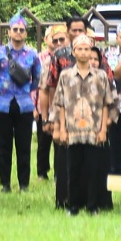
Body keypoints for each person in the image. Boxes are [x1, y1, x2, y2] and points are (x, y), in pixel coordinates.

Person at [50, 34, 115, 216]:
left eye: (87, 49)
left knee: (93, 169)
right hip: (73, 131)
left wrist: (103, 129)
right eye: (80, 49)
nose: (84, 52)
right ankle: (73, 205)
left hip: (94, 131)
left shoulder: (100, 76)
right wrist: (61, 129)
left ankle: (92, 205)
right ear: (74, 52)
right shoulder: (66, 76)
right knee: (73, 169)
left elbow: (106, 104)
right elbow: (61, 104)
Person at [0, 14, 41, 192]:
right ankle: (5, 184)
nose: (18, 33)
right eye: (15, 29)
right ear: (9, 32)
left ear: (26, 33)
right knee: (4, 146)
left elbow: (37, 81)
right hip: (3, 104)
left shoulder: (32, 55)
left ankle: (24, 184)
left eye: (21, 30)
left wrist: (35, 104)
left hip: (25, 105)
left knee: (24, 146)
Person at [39, 16, 89, 208]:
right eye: (73, 30)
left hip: (89, 114)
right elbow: (51, 87)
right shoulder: (59, 56)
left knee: (87, 157)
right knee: (63, 157)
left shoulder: (93, 52)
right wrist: (50, 118)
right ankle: (64, 199)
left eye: (80, 30)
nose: (77, 33)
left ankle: (88, 198)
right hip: (64, 114)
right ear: (68, 31)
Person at [35, 24, 66, 186]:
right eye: (55, 40)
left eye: (62, 39)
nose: (59, 43)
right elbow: (44, 90)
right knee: (51, 142)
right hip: (55, 112)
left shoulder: (79, 57)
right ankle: (52, 174)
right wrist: (45, 117)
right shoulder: (48, 62)